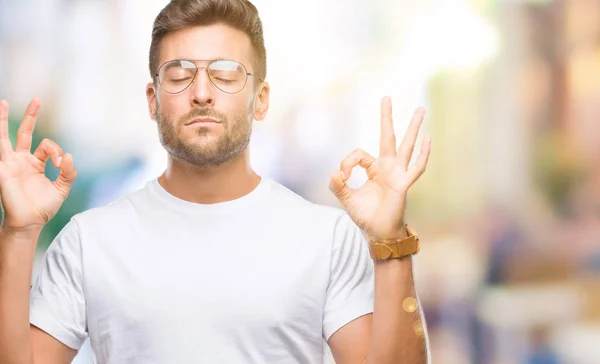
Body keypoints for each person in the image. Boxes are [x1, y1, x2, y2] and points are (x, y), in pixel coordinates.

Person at [0, 0, 431, 363]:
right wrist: (18, 233)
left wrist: (391, 242)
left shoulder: (327, 238)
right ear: (152, 100)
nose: (202, 93)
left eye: (225, 75)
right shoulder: (88, 242)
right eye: (179, 75)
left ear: (260, 100)